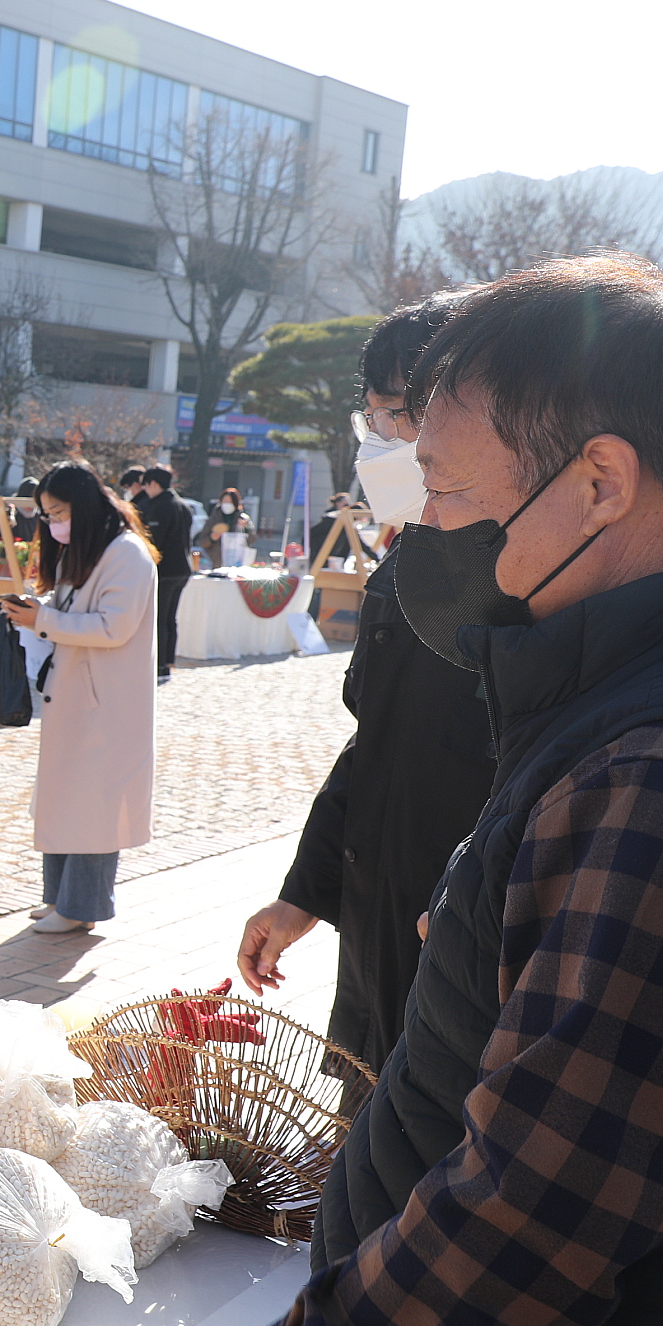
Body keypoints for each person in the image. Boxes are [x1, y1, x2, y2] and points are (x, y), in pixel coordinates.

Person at [184, 256, 663, 1326]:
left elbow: (549, 1201)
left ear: (600, 482)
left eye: (455, 492)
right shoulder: (659, 694)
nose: (431, 534)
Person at [234, 294, 490, 1094]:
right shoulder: (409, 559)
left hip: (461, 945)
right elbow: (372, 745)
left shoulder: (521, 582)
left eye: (393, 414)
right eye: (373, 413)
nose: (375, 436)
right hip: (380, 928)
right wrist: (303, 894)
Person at [0, 463, 156, 933]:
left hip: (105, 703)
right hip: (74, 697)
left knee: (95, 806)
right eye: (46, 515)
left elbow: (113, 627)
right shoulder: (83, 550)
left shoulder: (126, 554)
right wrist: (38, 613)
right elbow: (74, 614)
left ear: (84, 506)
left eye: (58, 512)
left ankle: (81, 907)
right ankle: (59, 899)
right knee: (64, 799)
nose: (51, 523)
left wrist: (42, 621)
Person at [129, 464, 194, 682]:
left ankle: (158, 666)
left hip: (164, 570)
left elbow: (154, 543)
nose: (145, 490)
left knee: (158, 618)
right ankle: (168, 662)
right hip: (183, 569)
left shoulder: (159, 506)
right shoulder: (183, 505)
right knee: (170, 618)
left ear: (154, 484)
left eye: (146, 485)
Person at [200, 485, 247, 566]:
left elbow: (251, 540)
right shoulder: (213, 519)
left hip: (236, 561)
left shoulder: (243, 518)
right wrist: (212, 539)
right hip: (215, 561)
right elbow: (202, 541)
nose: (227, 504)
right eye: (225, 501)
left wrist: (245, 529)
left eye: (231, 502)